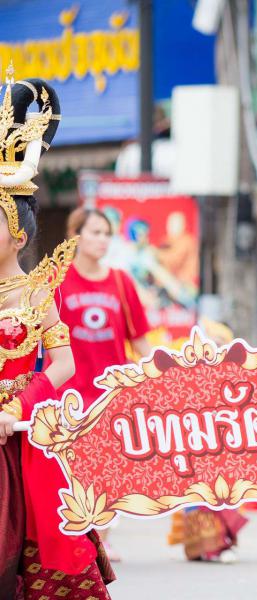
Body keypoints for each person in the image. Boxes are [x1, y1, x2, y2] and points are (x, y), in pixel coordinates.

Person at [0, 74, 114, 598]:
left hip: (22, 434)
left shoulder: (37, 294)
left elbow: (63, 364)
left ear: (18, 233)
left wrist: (17, 408)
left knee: (34, 546)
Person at [59, 207, 153, 562]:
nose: (102, 240)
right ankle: (75, 537)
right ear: (75, 235)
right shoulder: (56, 281)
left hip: (112, 393)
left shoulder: (120, 282)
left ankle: (101, 538)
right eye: (95, 232)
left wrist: (165, 378)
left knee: (109, 470)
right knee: (70, 472)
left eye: (106, 233)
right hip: (68, 393)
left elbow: (140, 340)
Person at [167, 318, 249, 563]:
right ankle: (200, 545)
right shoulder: (188, 377)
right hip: (197, 449)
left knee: (223, 498)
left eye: (221, 344)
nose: (215, 350)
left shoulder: (237, 378)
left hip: (225, 450)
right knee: (197, 499)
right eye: (211, 344)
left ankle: (220, 545)